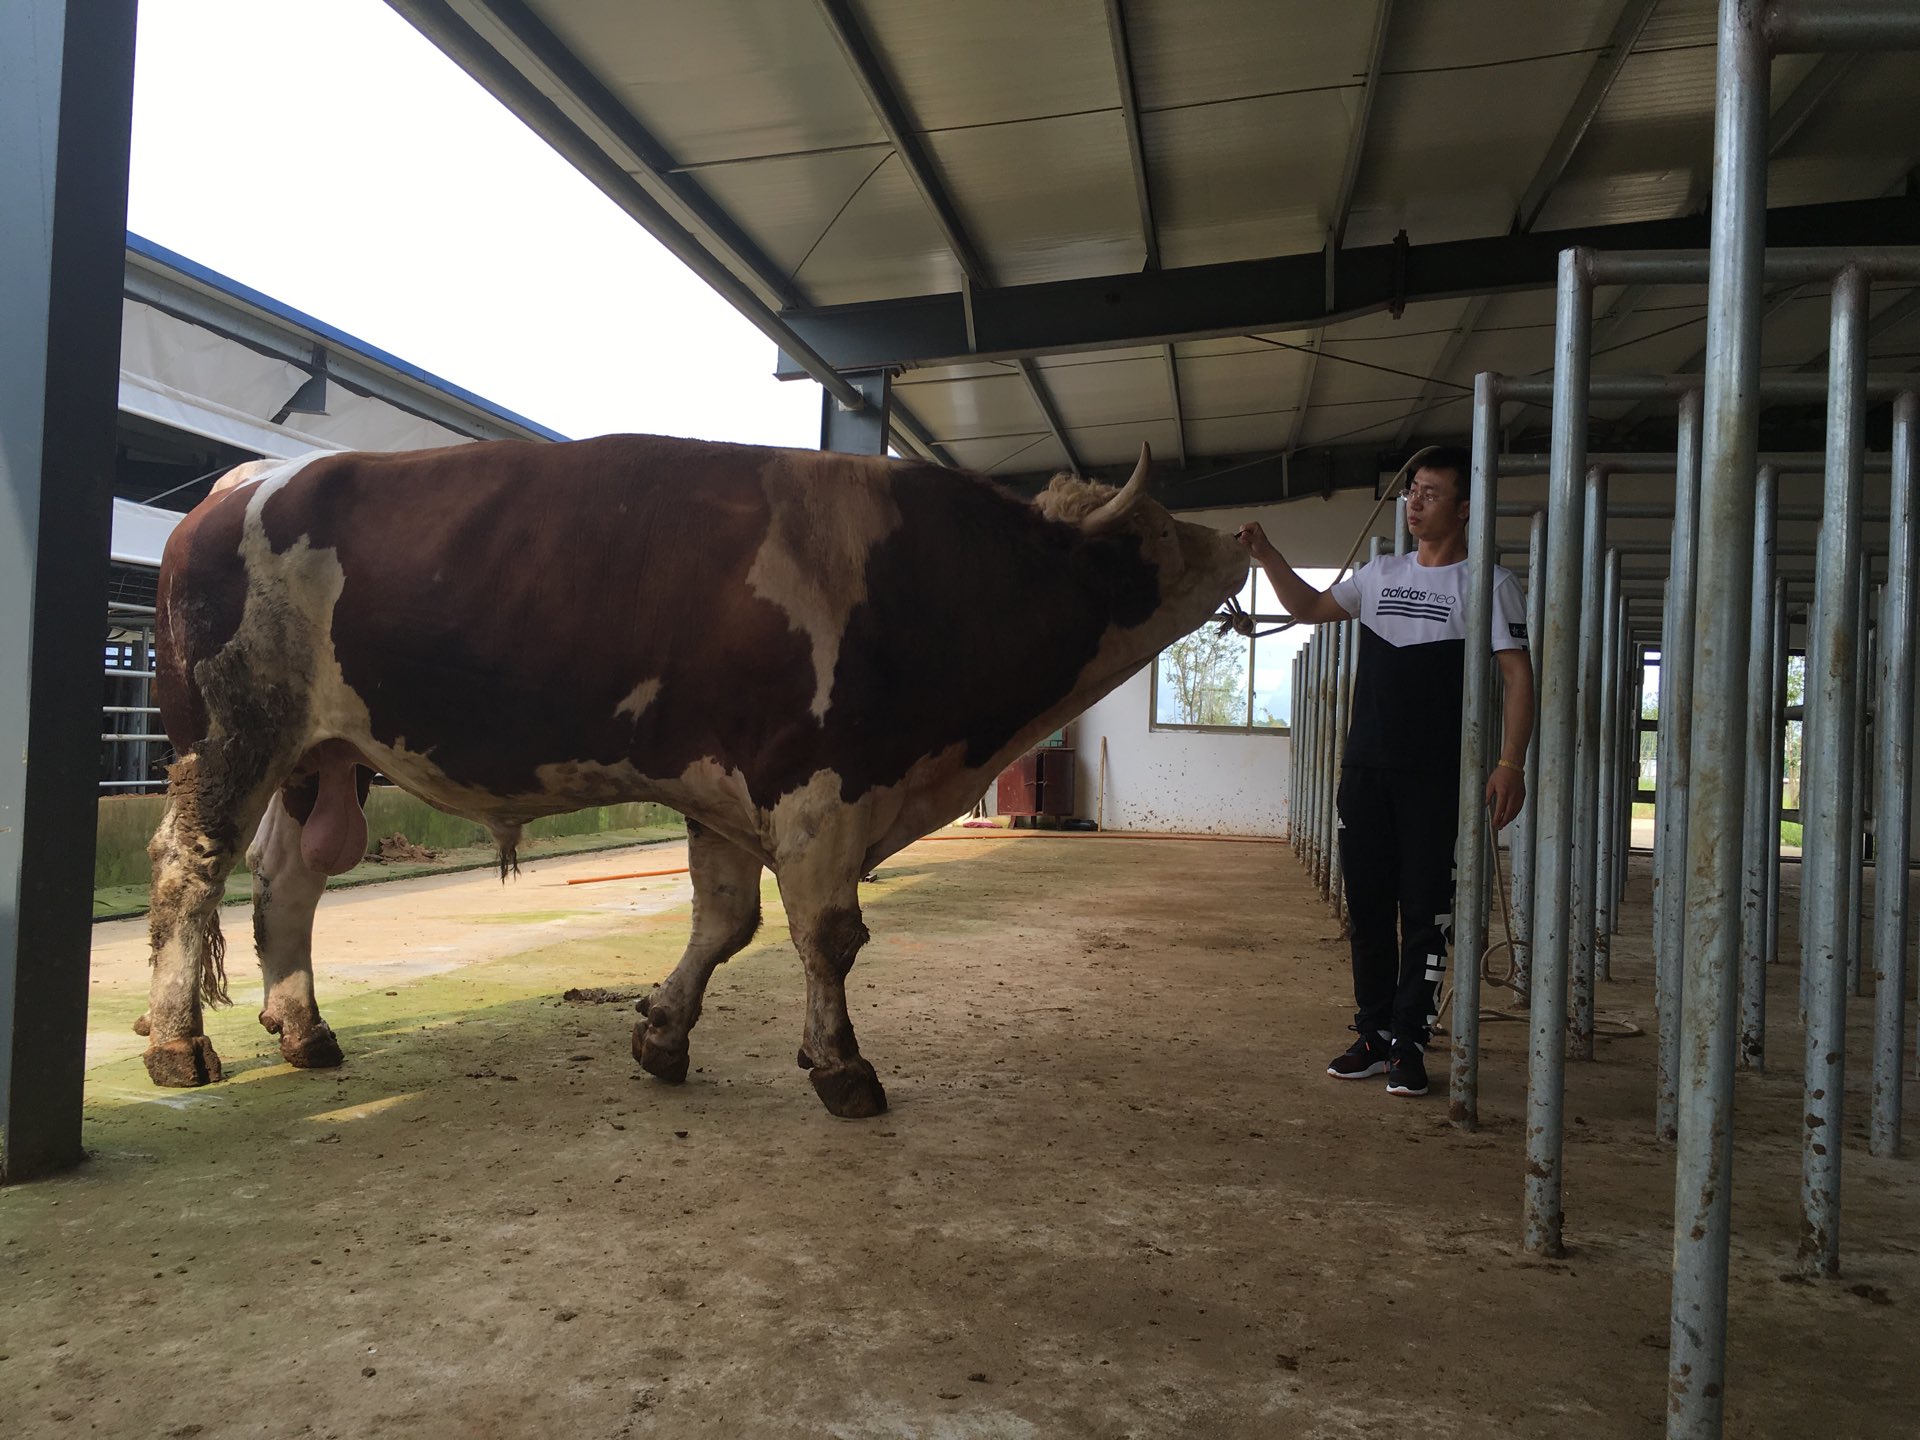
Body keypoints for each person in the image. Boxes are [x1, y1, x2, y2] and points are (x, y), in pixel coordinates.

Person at [1237, 446, 1533, 1098]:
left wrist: (1510, 764)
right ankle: (1372, 1033)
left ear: (1463, 508)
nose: (1415, 502)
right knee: (1368, 911)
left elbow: (1518, 679)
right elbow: (1310, 609)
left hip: (1436, 778)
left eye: (1430, 493)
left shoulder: (1487, 584)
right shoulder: (1379, 574)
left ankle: (1410, 1041)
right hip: (1366, 770)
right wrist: (1267, 556)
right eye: (1412, 491)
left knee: (1425, 914)